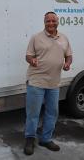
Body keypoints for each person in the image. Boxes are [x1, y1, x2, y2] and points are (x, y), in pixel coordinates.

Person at [24, 11, 72, 155]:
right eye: (48, 21)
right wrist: (31, 60)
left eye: (53, 21)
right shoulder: (36, 38)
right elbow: (28, 55)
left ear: (58, 21)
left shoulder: (64, 38)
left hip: (54, 83)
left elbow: (69, 55)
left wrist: (68, 63)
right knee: (33, 113)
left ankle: (45, 139)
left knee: (52, 112)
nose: (50, 23)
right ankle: (29, 139)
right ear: (44, 23)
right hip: (36, 81)